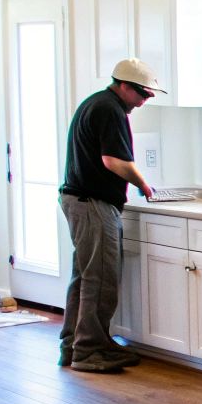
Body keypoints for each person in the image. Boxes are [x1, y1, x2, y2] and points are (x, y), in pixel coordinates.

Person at [58, 58, 162, 374]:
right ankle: (90, 352)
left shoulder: (98, 104)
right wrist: (143, 184)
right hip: (93, 203)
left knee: (86, 277)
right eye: (144, 94)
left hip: (80, 200)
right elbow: (113, 161)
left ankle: (73, 346)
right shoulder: (109, 109)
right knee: (100, 279)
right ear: (125, 87)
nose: (147, 100)